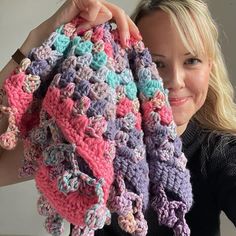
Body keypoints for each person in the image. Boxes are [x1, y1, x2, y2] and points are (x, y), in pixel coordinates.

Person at [0, 0, 235, 236]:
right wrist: (39, 36)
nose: (175, 80)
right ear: (129, 63)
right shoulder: (88, 137)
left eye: (191, 61)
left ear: (209, 68)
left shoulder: (220, 153)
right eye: (156, 62)